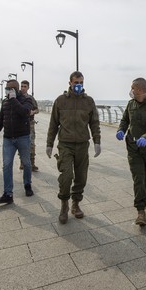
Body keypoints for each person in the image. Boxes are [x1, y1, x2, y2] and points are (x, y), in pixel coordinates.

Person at [46, 71, 101, 224]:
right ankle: (64, 204)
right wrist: (49, 144)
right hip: (65, 144)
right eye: (76, 82)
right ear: (70, 83)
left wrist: (97, 141)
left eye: (81, 83)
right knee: (66, 176)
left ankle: (75, 204)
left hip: (83, 144)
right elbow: (53, 124)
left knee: (81, 177)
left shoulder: (89, 101)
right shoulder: (61, 101)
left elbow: (94, 122)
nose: (79, 85)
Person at [116, 78, 146, 226]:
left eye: (132, 88)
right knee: (139, 178)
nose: (130, 90)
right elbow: (125, 120)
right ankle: (140, 212)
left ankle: (144, 196)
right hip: (133, 148)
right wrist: (121, 129)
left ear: (141, 90)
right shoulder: (130, 104)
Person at [0, 79, 35, 204]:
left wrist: (14, 99)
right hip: (8, 139)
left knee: (26, 163)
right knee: (7, 165)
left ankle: (27, 185)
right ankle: (8, 194)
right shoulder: (5, 102)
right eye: (6, 88)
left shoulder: (26, 100)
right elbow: (0, 121)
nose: (7, 90)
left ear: (15, 89)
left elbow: (25, 113)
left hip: (23, 137)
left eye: (9, 88)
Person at [18, 80, 39, 172]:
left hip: (30, 124)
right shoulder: (17, 98)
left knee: (31, 143)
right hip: (20, 124)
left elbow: (37, 109)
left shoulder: (31, 98)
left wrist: (33, 112)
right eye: (21, 86)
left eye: (25, 86)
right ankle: (22, 162)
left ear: (28, 88)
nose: (23, 88)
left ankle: (32, 163)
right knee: (21, 144)